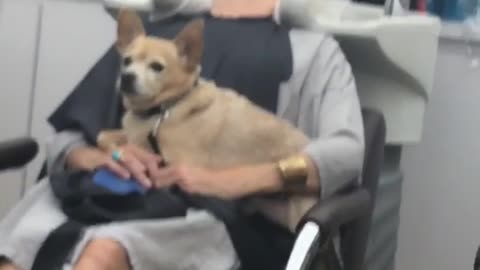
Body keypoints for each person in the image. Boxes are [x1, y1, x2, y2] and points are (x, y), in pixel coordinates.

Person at [0, 0, 364, 269]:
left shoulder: (313, 52)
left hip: (213, 215)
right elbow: (67, 139)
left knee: (104, 252)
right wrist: (106, 156)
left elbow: (347, 152)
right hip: (104, 190)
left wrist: (233, 181)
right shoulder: (154, 37)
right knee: (23, 246)